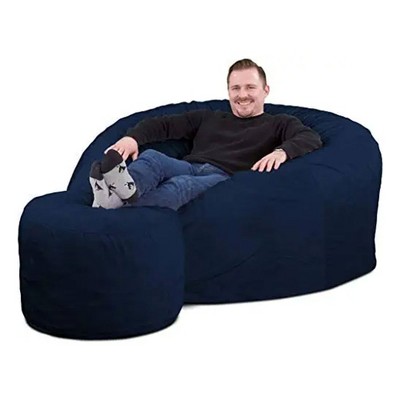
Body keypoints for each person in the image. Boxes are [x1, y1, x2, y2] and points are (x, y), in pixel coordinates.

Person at [89, 58, 323, 211]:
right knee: (152, 158)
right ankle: (119, 194)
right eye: (236, 88)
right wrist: (132, 138)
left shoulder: (278, 123)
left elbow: (310, 137)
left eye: (250, 87)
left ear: (265, 90)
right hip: (189, 165)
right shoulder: (210, 117)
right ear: (228, 91)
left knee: (181, 185)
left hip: (223, 177)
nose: (242, 95)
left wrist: (282, 152)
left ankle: (112, 206)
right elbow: (164, 124)